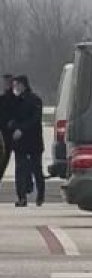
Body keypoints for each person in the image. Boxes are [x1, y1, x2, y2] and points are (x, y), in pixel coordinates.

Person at [8, 75, 45, 206]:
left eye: (17, 85)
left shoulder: (35, 100)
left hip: (33, 141)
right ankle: (21, 197)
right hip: (19, 143)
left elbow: (35, 119)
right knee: (20, 170)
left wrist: (21, 129)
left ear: (23, 85)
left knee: (36, 169)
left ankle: (40, 195)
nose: (15, 88)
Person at [0, 74, 14, 187]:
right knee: (3, 159)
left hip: (12, 133)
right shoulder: (2, 99)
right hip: (4, 133)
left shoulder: (16, 99)